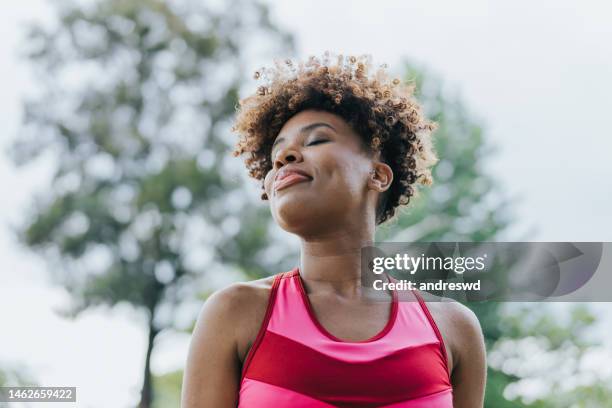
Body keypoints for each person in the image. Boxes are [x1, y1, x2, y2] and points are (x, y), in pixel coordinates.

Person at [181, 53, 486, 407]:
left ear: (378, 174)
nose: (284, 158)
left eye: (316, 140)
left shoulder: (453, 327)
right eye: (277, 155)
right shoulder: (235, 313)